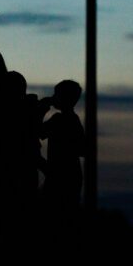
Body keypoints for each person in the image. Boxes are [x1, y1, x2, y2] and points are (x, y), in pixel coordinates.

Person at [41, 80, 87, 220]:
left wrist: (42, 108)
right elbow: (82, 149)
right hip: (72, 174)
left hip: (59, 175)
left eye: (57, 94)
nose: (54, 96)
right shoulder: (74, 120)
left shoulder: (59, 120)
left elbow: (39, 132)